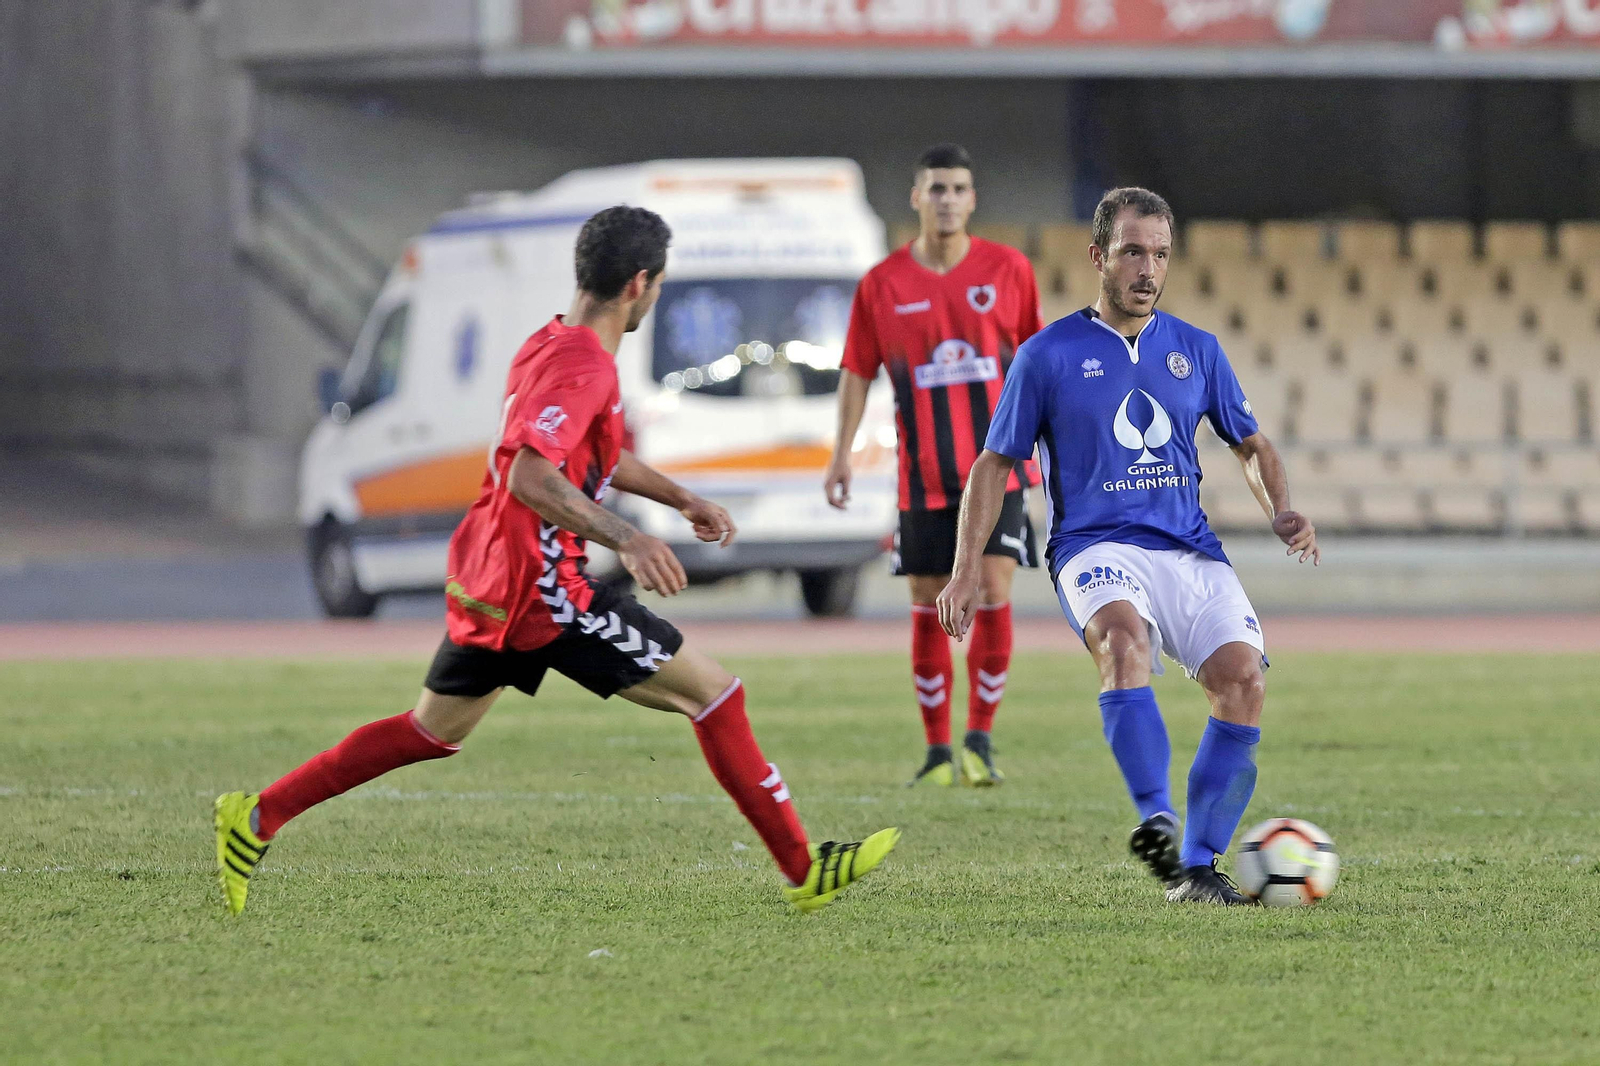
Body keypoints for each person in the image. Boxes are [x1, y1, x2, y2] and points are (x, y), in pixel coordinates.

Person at [215, 206, 899, 916]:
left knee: (431, 731)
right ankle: (804, 872)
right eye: (659, 286)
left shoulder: (548, 344)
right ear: (640, 283)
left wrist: (678, 496)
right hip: (547, 590)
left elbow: (585, 452)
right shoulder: (585, 368)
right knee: (716, 696)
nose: (656, 296)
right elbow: (533, 477)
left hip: (494, 576)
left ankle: (257, 817)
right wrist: (627, 538)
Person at [937, 187, 1320, 905]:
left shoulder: (1197, 350)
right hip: (1093, 544)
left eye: (1162, 254)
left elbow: (1252, 445)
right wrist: (964, 572)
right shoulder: (1045, 356)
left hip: (1187, 548)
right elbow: (994, 465)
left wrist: (1283, 509)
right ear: (1098, 257)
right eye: (1134, 252)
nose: (1149, 269)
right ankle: (1157, 819)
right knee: (1121, 639)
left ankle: (1198, 869)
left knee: (1243, 682)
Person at [824, 143, 1043, 789]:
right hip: (921, 473)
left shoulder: (1008, 270)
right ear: (916, 197)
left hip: (997, 467)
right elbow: (856, 371)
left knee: (992, 590)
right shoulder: (882, 284)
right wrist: (840, 451)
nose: (947, 199)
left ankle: (980, 740)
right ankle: (937, 752)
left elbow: (1035, 362)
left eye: (958, 189)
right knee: (925, 602)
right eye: (936, 188)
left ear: (972, 200)